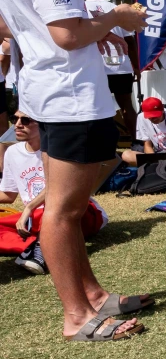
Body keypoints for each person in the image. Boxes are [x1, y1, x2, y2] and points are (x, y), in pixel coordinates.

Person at [0, 0, 153, 341]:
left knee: (72, 200)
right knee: (65, 211)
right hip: (68, 94)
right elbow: (66, 34)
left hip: (51, 87)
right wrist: (117, 19)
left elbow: (29, 25)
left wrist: (91, 29)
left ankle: (92, 296)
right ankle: (77, 317)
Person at [0, 110, 107, 274]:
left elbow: (60, 186)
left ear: (43, 124)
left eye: (26, 120)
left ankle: (43, 246)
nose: (18, 124)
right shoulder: (12, 153)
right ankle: (37, 245)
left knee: (53, 214)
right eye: (15, 119)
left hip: (78, 211)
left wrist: (29, 207)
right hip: (35, 219)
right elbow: (8, 195)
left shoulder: (60, 150)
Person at [80, 0, 138, 138]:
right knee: (127, 105)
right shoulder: (117, 8)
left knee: (95, 107)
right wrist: (136, 66)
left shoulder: (81, 9)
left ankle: (102, 143)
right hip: (121, 65)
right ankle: (135, 141)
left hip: (95, 67)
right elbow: (130, 41)